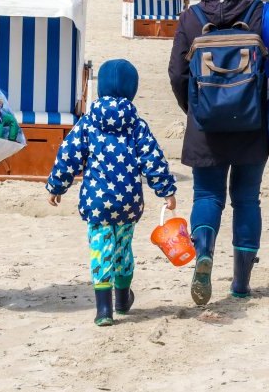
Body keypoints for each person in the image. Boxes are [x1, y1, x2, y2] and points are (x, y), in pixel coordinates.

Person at [167, 0, 269, 305]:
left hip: (204, 126)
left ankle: (205, 252)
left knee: (208, 196)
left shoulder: (192, 16)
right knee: (246, 200)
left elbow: (177, 73)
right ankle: (241, 283)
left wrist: (194, 109)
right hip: (252, 123)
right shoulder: (264, 13)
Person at [46, 59, 177, 326]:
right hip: (128, 203)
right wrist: (166, 190)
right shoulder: (136, 125)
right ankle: (122, 299)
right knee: (123, 250)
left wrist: (57, 186)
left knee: (100, 250)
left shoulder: (88, 122)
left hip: (97, 202)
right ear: (132, 90)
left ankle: (104, 310)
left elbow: (69, 155)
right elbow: (153, 159)